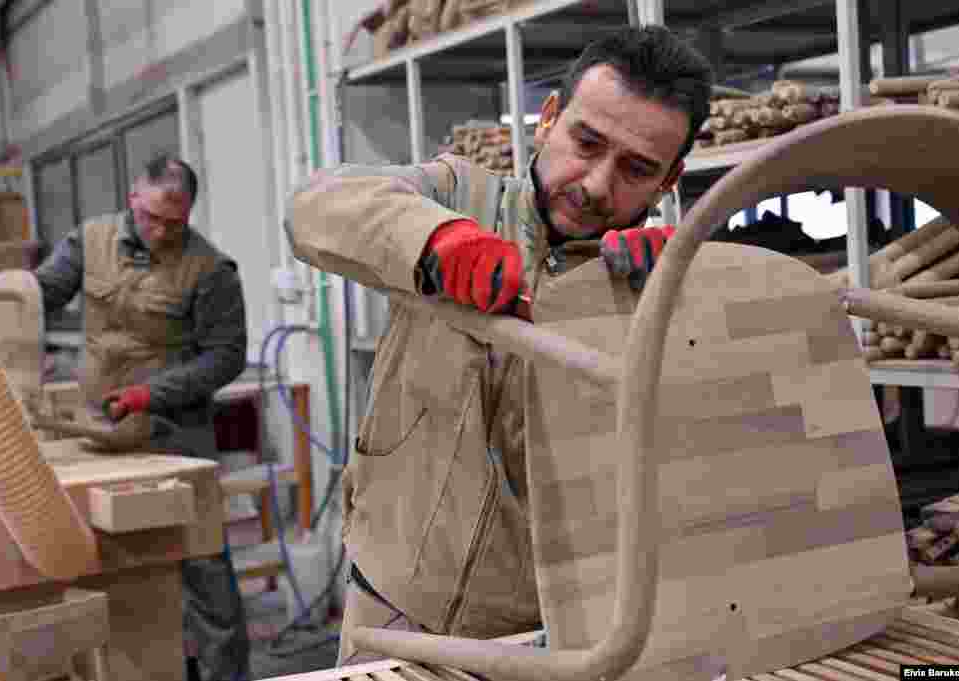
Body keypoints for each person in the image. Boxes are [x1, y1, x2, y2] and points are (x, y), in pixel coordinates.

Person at [286, 25, 712, 665]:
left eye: (636, 168)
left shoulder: (662, 276)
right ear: (547, 121)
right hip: (397, 594)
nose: (597, 185)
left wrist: (685, 303)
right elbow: (317, 206)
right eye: (586, 143)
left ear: (670, 179)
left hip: (558, 626)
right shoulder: (460, 195)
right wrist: (439, 245)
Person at [0, 154, 251, 681]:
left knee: (204, 569)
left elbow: (226, 356)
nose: (161, 231)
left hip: (174, 435)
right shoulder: (92, 240)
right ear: (133, 197)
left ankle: (225, 675)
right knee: (96, 559)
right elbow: (44, 294)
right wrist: (8, 288)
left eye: (175, 222)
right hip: (97, 433)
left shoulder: (210, 269)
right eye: (152, 217)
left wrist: (151, 395)